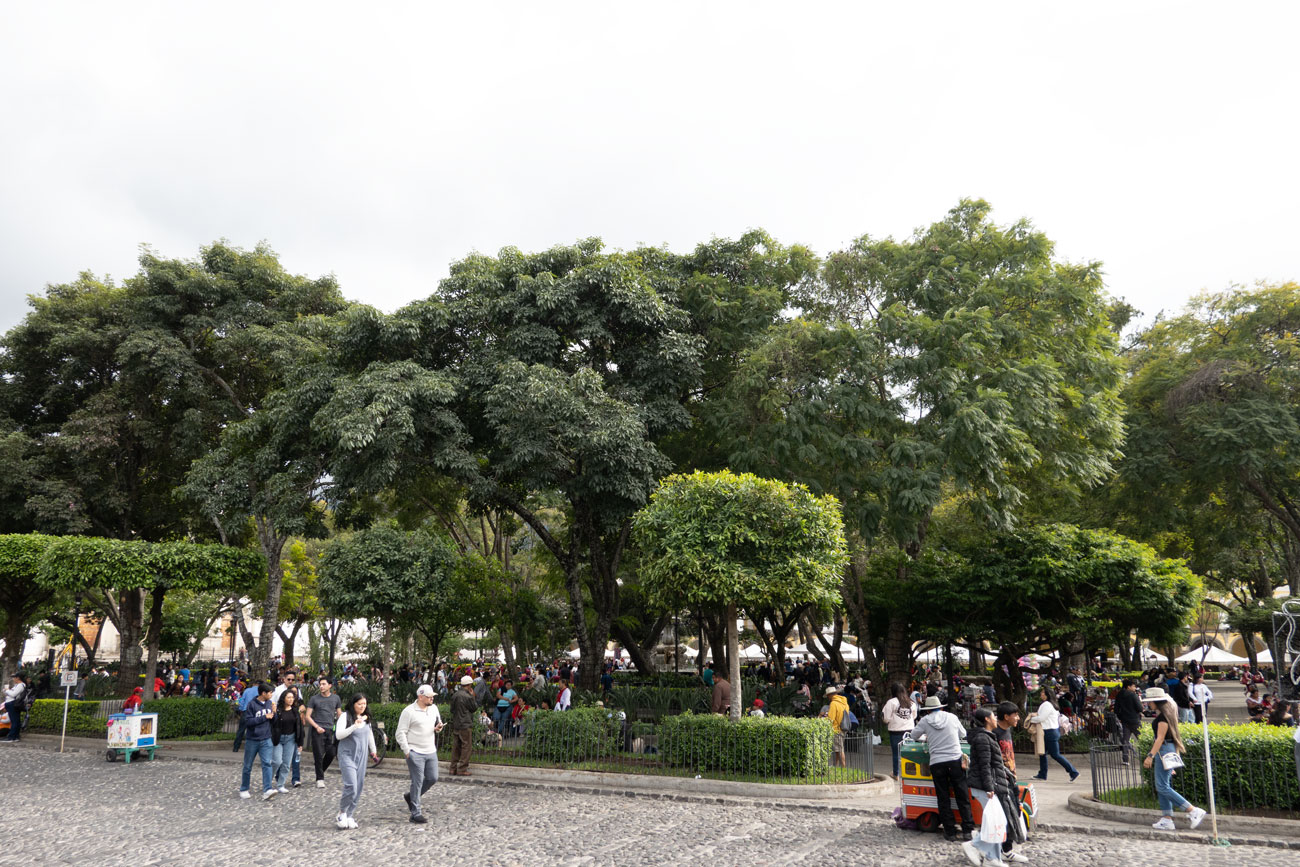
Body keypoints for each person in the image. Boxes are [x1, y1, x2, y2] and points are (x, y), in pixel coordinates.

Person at [966, 707, 1025, 867]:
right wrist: (989, 787)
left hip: (992, 784)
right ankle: (975, 846)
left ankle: (992, 857)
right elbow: (985, 766)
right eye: (993, 716)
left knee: (996, 821)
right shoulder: (983, 739)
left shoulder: (987, 737)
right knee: (996, 821)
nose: (995, 719)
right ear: (987, 719)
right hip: (986, 786)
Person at [1142, 686, 1206, 831]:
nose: (1148, 704)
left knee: (1162, 786)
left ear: (1155, 701)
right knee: (1164, 786)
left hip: (1163, 750)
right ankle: (1167, 818)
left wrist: (1150, 756)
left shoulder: (1163, 718)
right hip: (1167, 751)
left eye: (1150, 701)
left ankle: (1192, 810)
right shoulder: (1168, 715)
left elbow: (1160, 739)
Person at [911, 695, 973, 842]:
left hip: (937, 763)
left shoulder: (925, 721)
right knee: (962, 795)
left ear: (928, 710)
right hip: (955, 761)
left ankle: (950, 831)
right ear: (941, 707)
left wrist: (927, 736)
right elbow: (963, 734)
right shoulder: (952, 717)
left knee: (943, 797)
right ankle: (968, 830)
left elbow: (914, 735)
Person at [396, 684, 444, 824]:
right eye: (429, 697)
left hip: (430, 750)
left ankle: (411, 797)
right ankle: (415, 813)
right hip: (415, 751)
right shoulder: (409, 711)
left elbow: (437, 723)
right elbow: (400, 732)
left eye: (432, 697)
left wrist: (438, 728)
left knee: (432, 778)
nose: (432, 699)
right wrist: (406, 750)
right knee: (417, 782)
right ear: (420, 697)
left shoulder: (433, 708)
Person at [335, 693, 379, 829]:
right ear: (353, 704)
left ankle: (350, 814)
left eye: (364, 704)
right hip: (347, 755)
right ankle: (342, 812)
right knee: (351, 785)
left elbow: (369, 734)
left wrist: (373, 750)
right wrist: (354, 726)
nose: (362, 707)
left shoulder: (366, 719)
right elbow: (339, 735)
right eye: (359, 704)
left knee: (359, 787)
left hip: (362, 756)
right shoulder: (345, 716)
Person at [1030, 687, 1079, 782]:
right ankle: (1042, 774)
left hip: (1049, 732)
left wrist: (1030, 719)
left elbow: (1041, 718)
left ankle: (1073, 772)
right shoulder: (1051, 704)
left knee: (1055, 754)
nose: (1041, 694)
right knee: (1043, 753)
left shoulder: (1047, 705)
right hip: (1051, 731)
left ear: (1047, 695)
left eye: (1043, 693)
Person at [239, 682, 277, 801]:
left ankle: (267, 789)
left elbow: (273, 721)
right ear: (263, 693)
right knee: (247, 765)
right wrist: (264, 717)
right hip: (253, 740)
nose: (271, 695)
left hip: (266, 738)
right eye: (270, 693)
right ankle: (244, 788)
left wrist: (274, 713)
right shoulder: (252, 705)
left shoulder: (270, 703)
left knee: (267, 764)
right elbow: (248, 722)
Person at [305, 676, 341, 788]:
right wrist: (316, 727)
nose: (321, 686)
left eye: (324, 684)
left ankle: (320, 771)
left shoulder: (336, 698)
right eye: (320, 684)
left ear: (330, 685)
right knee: (318, 755)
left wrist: (341, 725)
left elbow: (339, 714)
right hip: (318, 730)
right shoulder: (314, 699)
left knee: (331, 753)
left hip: (330, 730)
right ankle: (320, 778)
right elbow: (307, 716)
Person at [270, 689, 304, 793]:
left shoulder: (295, 711)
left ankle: (281, 784)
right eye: (288, 697)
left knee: (286, 763)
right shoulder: (278, 710)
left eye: (292, 698)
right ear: (283, 698)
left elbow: (299, 727)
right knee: (277, 761)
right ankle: (268, 781)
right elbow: (272, 723)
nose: (291, 699)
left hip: (291, 739)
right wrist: (274, 713)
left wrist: (300, 743)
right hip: (278, 739)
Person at [881, 681, 916, 779]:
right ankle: (911, 773)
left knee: (896, 754)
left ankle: (896, 773)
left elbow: (886, 718)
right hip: (909, 731)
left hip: (895, 731)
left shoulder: (891, 702)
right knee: (909, 752)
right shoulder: (911, 702)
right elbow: (914, 716)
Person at [449, 675, 477, 775]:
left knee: (456, 746)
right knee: (466, 747)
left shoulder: (455, 695)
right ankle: (462, 769)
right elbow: (474, 708)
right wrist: (473, 696)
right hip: (465, 723)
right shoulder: (468, 696)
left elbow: (452, 710)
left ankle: (453, 768)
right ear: (469, 685)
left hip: (456, 723)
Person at [1114, 678, 1144, 766]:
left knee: (1125, 741)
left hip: (1124, 720)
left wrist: (1121, 717)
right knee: (1142, 739)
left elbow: (1116, 709)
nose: (1135, 688)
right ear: (1128, 687)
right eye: (1134, 686)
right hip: (1134, 720)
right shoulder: (1133, 695)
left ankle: (1125, 759)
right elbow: (1140, 708)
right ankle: (1147, 756)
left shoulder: (1119, 695)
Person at [824, 687, 850, 769]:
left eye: (828, 696)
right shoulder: (844, 702)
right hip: (843, 728)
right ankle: (836, 766)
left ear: (830, 695)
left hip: (836, 729)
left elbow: (831, 718)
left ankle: (844, 767)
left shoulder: (833, 703)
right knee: (837, 749)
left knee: (840, 749)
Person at [232, 679, 260, 752]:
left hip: (246, 711)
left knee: (241, 730)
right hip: (256, 712)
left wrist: (241, 709)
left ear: (254, 684)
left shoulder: (247, 690)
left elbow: (242, 700)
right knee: (255, 731)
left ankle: (236, 747)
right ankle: (253, 748)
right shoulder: (260, 691)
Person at [3, 674, 27, 741]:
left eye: (14, 677)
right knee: (15, 720)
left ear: (18, 678)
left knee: (14, 721)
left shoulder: (20, 685)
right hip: (10, 703)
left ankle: (12, 737)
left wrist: (7, 690)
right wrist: (6, 690)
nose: (13, 679)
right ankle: (15, 736)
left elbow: (13, 694)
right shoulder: (17, 685)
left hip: (13, 703)